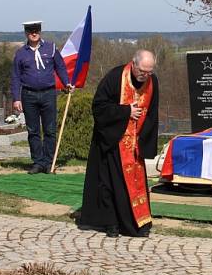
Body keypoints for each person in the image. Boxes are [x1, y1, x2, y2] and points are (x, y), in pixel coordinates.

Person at [79, 49, 159, 237]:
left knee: (135, 186)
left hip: (135, 143)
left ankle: (135, 223)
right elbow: (99, 106)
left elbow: (152, 113)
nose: (145, 76)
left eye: (149, 72)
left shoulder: (152, 82)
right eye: (142, 71)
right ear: (133, 64)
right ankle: (111, 224)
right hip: (112, 141)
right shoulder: (115, 77)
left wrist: (145, 141)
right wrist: (125, 112)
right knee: (111, 185)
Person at [10, 21, 73, 174]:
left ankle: (48, 162)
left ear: (40, 31)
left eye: (36, 30)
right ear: (26, 33)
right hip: (28, 95)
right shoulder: (20, 53)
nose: (34, 33)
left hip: (48, 94)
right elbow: (15, 77)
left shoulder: (51, 48)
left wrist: (67, 83)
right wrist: (16, 98)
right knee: (33, 131)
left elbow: (61, 67)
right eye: (30, 31)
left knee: (50, 130)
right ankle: (37, 162)